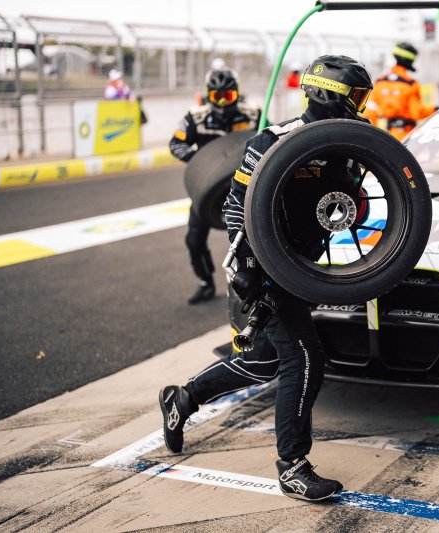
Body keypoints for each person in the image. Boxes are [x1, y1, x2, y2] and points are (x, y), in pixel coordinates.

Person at [159, 55, 374, 502]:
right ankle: (292, 466)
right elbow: (235, 205)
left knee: (261, 361)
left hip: (304, 268)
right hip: (263, 268)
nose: (360, 104)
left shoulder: (349, 143)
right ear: (330, 93)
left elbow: (351, 204)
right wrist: (247, 266)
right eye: (355, 95)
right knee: (304, 359)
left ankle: (183, 398)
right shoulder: (272, 140)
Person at [169, 69, 261, 304]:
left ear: (237, 94)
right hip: (208, 191)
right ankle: (206, 282)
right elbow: (176, 144)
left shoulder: (254, 114)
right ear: (208, 95)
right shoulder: (195, 117)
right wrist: (203, 164)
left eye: (227, 96)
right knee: (194, 240)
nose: (222, 103)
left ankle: (258, 284)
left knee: (253, 238)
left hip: (244, 189)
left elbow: (270, 137)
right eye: (217, 96)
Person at [364, 42, 435, 140]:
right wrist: (436, 109)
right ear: (410, 60)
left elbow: (370, 111)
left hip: (385, 135)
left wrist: (373, 135)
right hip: (407, 135)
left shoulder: (380, 82)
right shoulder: (410, 84)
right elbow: (418, 112)